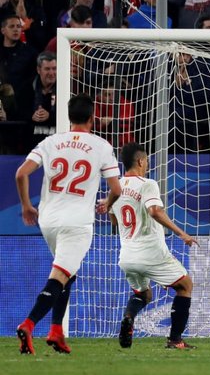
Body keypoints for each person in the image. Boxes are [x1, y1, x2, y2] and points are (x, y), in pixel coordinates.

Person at [14, 94, 122, 355]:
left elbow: (21, 173)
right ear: (92, 117)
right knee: (60, 275)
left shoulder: (51, 141)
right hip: (77, 222)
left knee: (67, 274)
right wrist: (107, 203)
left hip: (48, 220)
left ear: (69, 116)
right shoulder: (101, 146)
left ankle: (56, 332)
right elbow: (117, 189)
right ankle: (28, 324)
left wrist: (27, 206)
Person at [109, 142, 198, 350]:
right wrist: (182, 233)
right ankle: (175, 340)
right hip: (150, 252)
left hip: (127, 257)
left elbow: (114, 222)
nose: (147, 164)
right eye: (147, 160)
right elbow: (155, 211)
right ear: (140, 161)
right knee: (185, 286)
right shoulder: (147, 184)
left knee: (144, 294)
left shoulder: (115, 187)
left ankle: (129, 317)